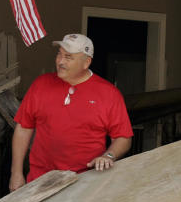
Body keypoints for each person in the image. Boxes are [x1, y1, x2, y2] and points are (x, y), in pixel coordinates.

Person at [9, 33, 133, 191]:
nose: (60, 61)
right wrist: (16, 173)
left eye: (68, 57)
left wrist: (108, 155)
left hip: (86, 182)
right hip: (39, 181)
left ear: (86, 62)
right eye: (59, 54)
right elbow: (24, 128)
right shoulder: (41, 84)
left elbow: (123, 137)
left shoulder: (109, 94)